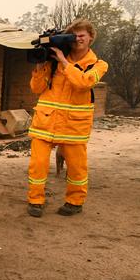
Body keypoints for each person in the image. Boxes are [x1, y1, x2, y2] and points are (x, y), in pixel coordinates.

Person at [26, 19, 108, 217]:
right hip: (45, 122)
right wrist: (40, 66)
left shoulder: (98, 65)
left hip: (74, 126)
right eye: (74, 36)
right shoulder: (53, 63)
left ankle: (74, 202)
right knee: (37, 165)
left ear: (90, 38)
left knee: (77, 168)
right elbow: (36, 89)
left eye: (82, 35)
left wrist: (64, 61)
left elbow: (83, 83)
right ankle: (35, 201)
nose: (78, 39)